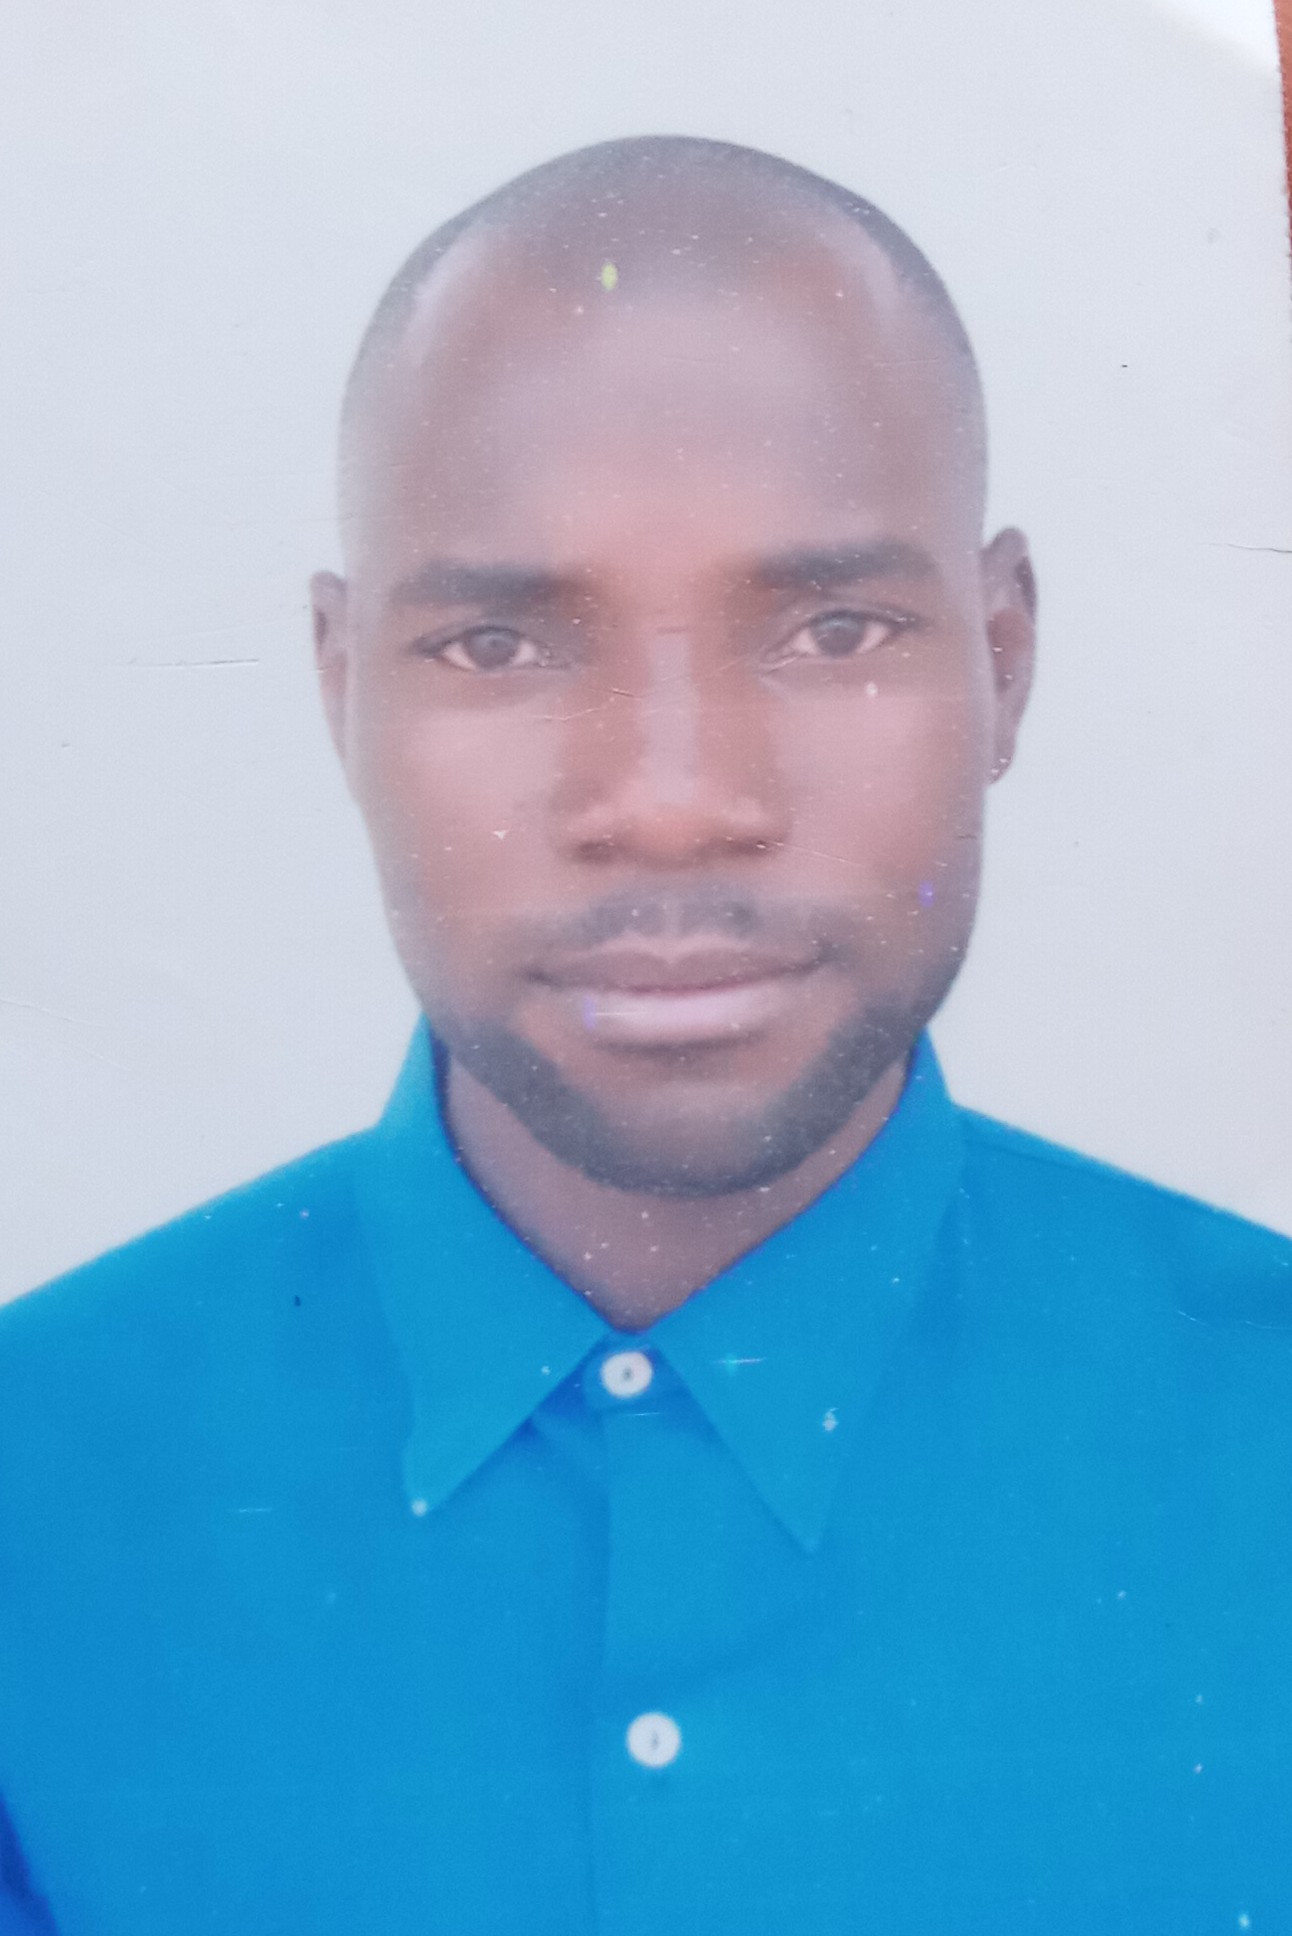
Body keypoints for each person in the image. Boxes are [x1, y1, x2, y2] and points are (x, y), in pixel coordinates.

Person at [1, 135, 1288, 1936]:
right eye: (500, 647)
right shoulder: (36, 1492)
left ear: (1003, 660)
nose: (675, 802)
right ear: (340, 687)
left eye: (832, 629)